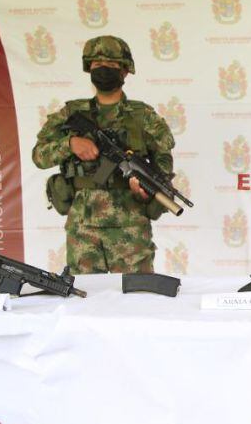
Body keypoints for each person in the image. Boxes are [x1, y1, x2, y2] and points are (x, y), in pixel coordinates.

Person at [33, 35, 175, 274]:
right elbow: (39, 156)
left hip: (130, 229)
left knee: (138, 299)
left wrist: (144, 193)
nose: (104, 70)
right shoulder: (71, 113)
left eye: (111, 66)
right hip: (83, 228)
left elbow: (163, 166)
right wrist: (70, 143)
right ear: (89, 69)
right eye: (98, 66)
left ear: (125, 71)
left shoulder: (144, 116)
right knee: (84, 302)